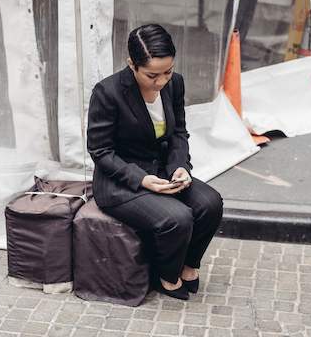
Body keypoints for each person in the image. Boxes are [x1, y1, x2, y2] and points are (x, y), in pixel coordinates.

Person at [87, 24, 223, 300]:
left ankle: (188, 265)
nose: (161, 81)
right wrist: (140, 179)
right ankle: (165, 275)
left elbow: (178, 133)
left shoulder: (175, 84)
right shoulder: (108, 92)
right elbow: (100, 152)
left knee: (210, 203)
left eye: (167, 72)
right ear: (131, 65)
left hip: (162, 171)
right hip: (119, 182)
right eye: (152, 75)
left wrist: (179, 167)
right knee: (178, 218)